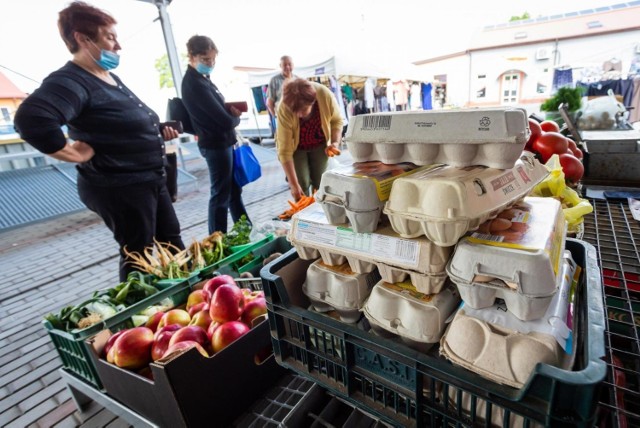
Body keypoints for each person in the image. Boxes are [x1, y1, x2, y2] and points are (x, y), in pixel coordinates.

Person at [13, 1, 185, 282]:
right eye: (109, 37)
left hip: (150, 179)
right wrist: (72, 153)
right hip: (120, 186)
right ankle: (139, 315)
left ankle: (189, 300)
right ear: (83, 38)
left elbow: (118, 123)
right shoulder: (71, 81)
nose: (118, 46)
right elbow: (32, 119)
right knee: (139, 255)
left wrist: (155, 130)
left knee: (172, 244)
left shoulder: (107, 77)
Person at [181, 35, 250, 234]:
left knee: (233, 191)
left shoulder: (203, 79)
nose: (210, 64)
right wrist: (235, 118)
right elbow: (225, 121)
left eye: (212, 59)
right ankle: (217, 238)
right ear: (192, 57)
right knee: (220, 194)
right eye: (205, 60)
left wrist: (229, 116)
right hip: (215, 145)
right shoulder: (194, 83)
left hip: (221, 142)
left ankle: (245, 230)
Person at [276, 78, 343, 201]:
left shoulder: (324, 94)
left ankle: (322, 213)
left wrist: (334, 142)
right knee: (301, 184)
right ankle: (305, 214)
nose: (298, 115)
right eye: (295, 111)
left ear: (313, 101)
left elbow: (337, 121)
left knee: (321, 182)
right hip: (296, 148)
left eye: (302, 110)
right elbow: (284, 151)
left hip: (320, 144)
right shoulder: (284, 108)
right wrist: (293, 185)